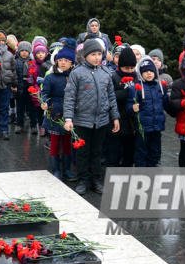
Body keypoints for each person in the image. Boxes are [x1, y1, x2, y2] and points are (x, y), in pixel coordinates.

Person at [64, 38, 120, 195]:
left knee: (97, 151)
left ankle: (95, 179)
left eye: (99, 54)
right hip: (82, 120)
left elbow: (111, 97)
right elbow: (69, 97)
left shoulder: (106, 73)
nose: (97, 57)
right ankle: (82, 179)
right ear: (85, 55)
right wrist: (68, 118)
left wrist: (114, 117)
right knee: (82, 152)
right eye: (93, 54)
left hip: (101, 120)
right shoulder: (77, 73)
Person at [41, 38, 77, 181]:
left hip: (69, 113)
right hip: (54, 112)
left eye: (66, 60)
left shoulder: (74, 77)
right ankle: (56, 170)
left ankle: (67, 170)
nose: (63, 62)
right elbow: (45, 93)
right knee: (55, 142)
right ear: (56, 61)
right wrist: (45, 102)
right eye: (60, 59)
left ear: (72, 63)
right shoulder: (51, 77)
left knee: (67, 142)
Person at [128, 56, 169, 168]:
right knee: (141, 154)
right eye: (146, 71)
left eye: (151, 71)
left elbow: (166, 104)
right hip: (143, 128)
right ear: (141, 73)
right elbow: (129, 105)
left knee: (153, 153)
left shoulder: (160, 87)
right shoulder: (136, 88)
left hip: (157, 127)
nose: (149, 73)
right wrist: (132, 108)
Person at [106, 47, 138, 169]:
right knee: (114, 151)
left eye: (132, 68)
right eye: (126, 68)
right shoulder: (113, 77)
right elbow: (110, 97)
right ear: (120, 66)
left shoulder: (137, 77)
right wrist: (128, 92)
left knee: (129, 152)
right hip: (116, 118)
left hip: (131, 121)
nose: (130, 71)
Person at [14, 41, 37, 135]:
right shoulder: (16, 62)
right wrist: (14, 85)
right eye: (22, 51)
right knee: (19, 107)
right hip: (20, 85)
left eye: (26, 51)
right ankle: (19, 125)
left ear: (29, 52)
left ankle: (33, 126)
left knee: (32, 107)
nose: (24, 52)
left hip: (30, 86)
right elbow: (13, 74)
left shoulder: (32, 62)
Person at [30, 42, 50, 137]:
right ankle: (41, 127)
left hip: (47, 88)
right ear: (35, 54)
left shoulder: (49, 64)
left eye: (42, 52)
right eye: (38, 53)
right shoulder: (33, 65)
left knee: (47, 109)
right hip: (37, 89)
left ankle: (47, 127)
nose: (40, 54)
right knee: (39, 110)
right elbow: (32, 79)